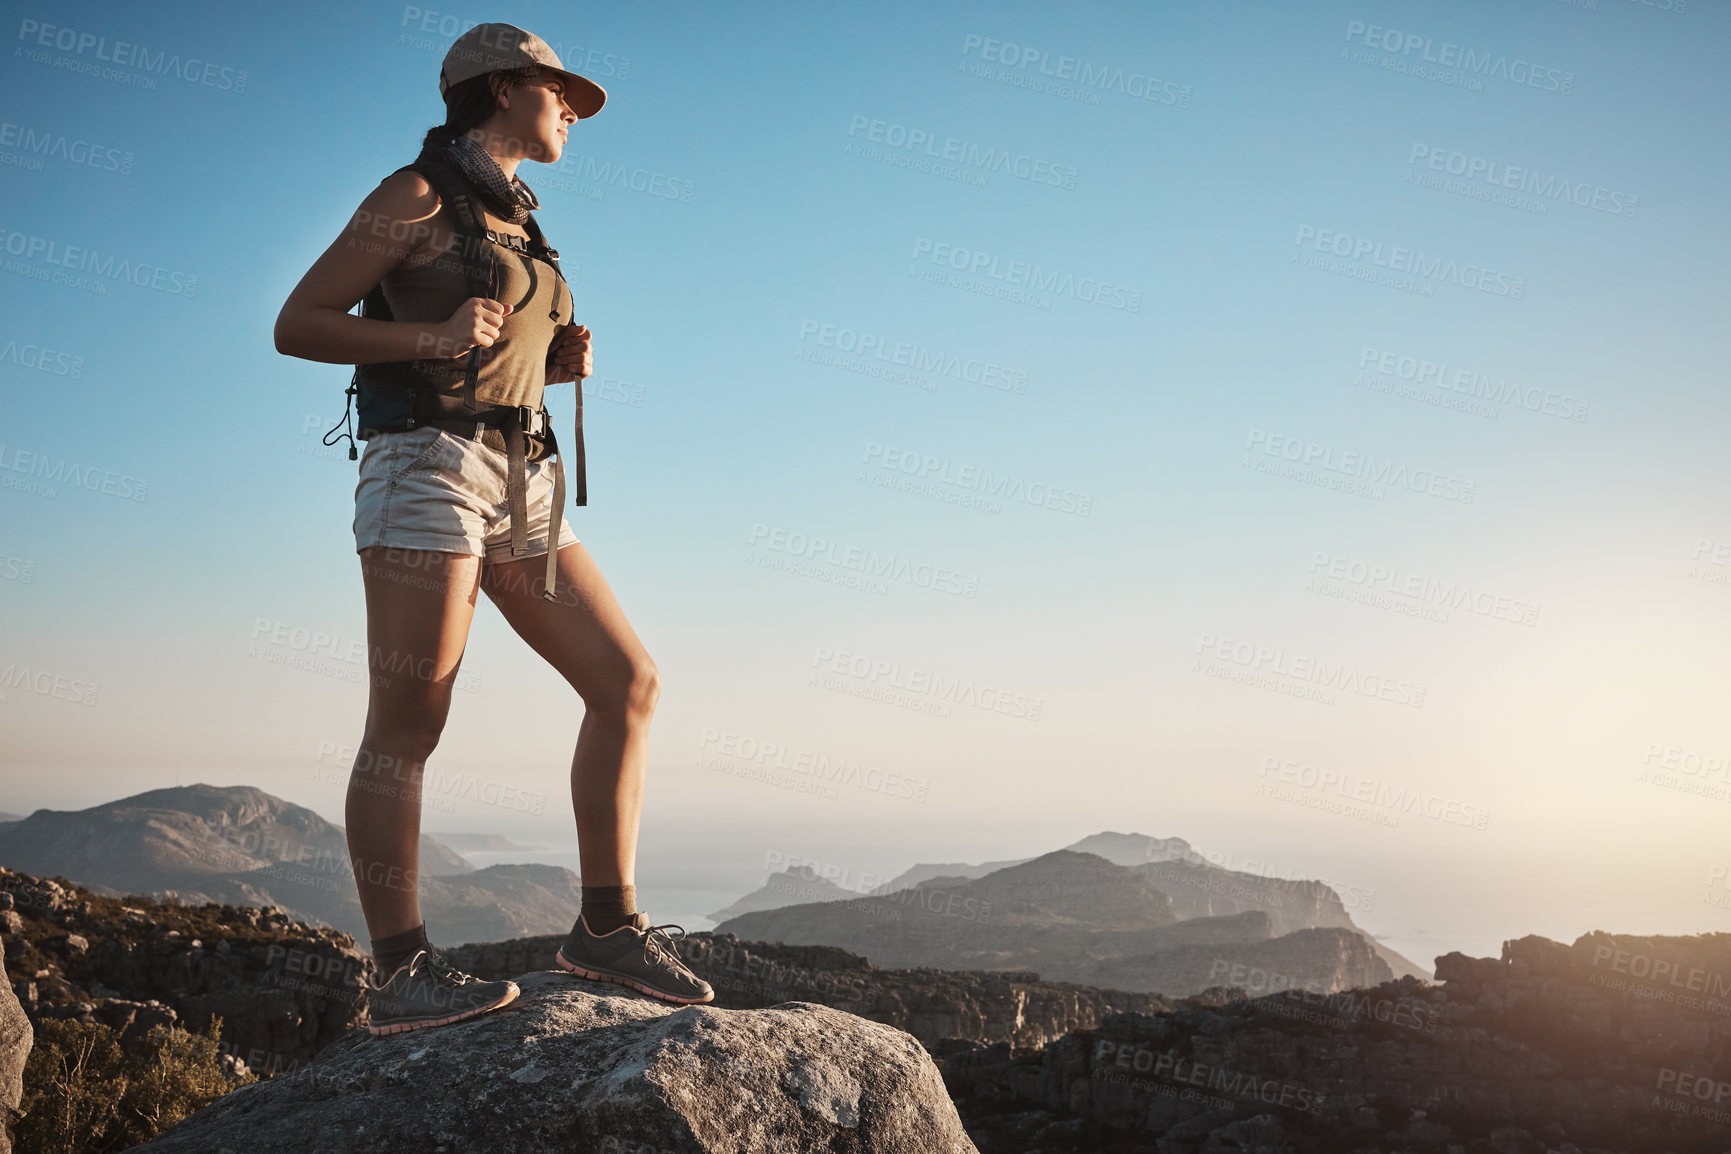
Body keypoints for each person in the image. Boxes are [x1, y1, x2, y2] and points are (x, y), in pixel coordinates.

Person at [273, 22, 712, 1036]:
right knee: (410, 724)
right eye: (560, 92)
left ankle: (605, 925)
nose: (570, 110)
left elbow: (491, 346)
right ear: (504, 86)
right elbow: (298, 320)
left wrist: (546, 366)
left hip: (526, 476)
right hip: (429, 469)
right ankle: (401, 970)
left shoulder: (519, 219)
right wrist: (429, 335)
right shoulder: (416, 195)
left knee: (627, 681)